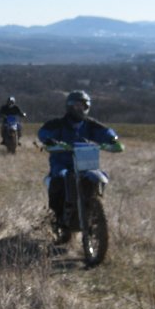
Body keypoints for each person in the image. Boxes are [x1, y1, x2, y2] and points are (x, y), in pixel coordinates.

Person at [37, 89, 122, 231]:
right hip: (62, 163)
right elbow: (43, 132)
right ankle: (57, 217)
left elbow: (105, 131)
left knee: (97, 177)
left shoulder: (90, 124)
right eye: (77, 105)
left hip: (85, 163)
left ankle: (94, 205)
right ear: (69, 106)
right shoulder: (58, 123)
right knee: (59, 180)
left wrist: (112, 139)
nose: (80, 109)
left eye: (83, 105)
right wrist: (49, 140)